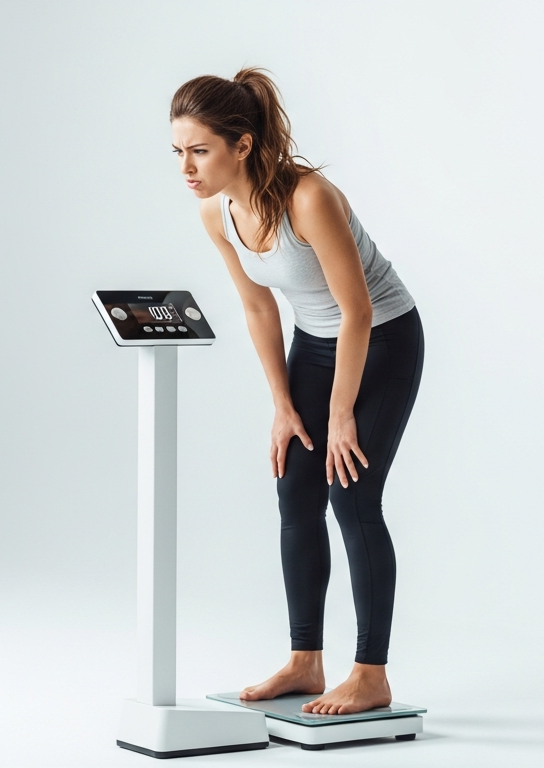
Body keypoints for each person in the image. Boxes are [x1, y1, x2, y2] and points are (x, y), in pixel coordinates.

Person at [170, 68, 425, 716]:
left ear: (244, 144)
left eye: (200, 150)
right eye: (178, 152)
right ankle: (305, 661)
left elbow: (359, 310)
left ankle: (371, 674)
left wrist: (342, 415)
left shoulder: (309, 198)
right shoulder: (216, 214)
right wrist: (283, 406)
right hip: (316, 344)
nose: (187, 167)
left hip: (384, 339)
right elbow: (259, 310)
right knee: (296, 488)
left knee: (353, 494)